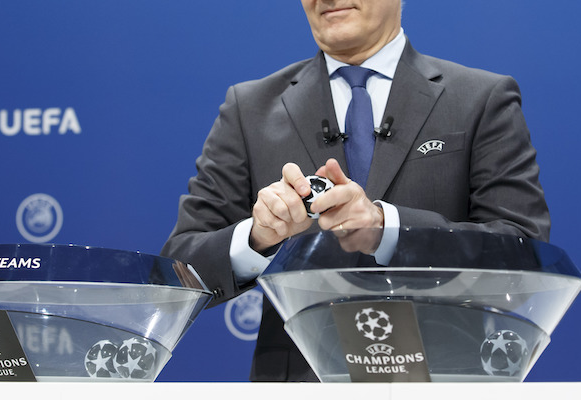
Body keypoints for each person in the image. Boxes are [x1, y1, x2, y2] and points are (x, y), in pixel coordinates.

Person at [161, 0, 550, 382]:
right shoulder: (249, 109)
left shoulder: (481, 99)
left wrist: (387, 228)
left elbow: (525, 253)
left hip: (444, 378)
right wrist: (257, 237)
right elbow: (179, 270)